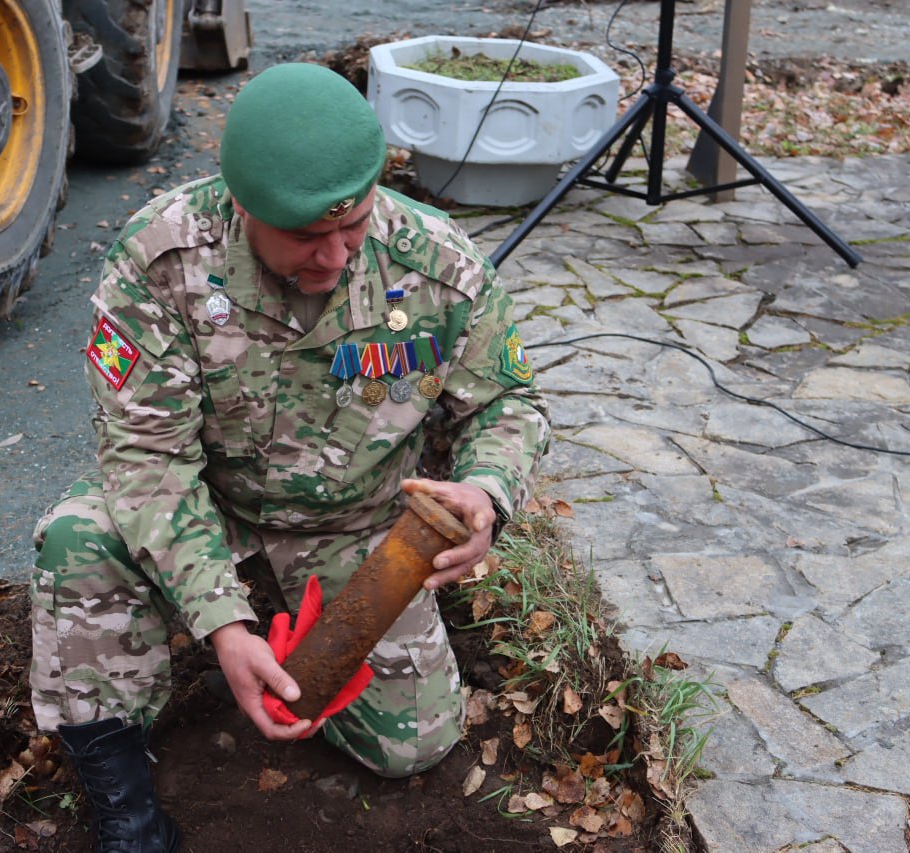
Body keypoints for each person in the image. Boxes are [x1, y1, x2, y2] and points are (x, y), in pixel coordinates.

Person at [28, 62, 550, 852]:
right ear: (243, 208)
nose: (338, 256)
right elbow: (147, 459)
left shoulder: (437, 263)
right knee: (77, 541)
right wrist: (220, 621)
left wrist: (486, 487)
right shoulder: (162, 259)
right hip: (212, 511)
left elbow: (509, 402)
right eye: (307, 236)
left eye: (356, 224)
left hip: (357, 531)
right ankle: (124, 794)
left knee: (416, 746)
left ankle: (275, 644)